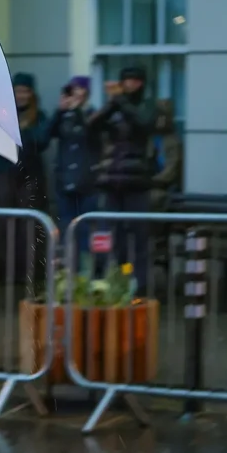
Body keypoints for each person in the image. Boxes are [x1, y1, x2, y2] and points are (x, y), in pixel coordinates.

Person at [89, 67, 156, 294]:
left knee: (139, 237)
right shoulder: (115, 108)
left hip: (137, 182)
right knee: (112, 236)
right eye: (126, 80)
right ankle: (117, 280)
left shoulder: (147, 106)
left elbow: (144, 123)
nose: (130, 85)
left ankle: (140, 286)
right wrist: (110, 105)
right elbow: (91, 127)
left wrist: (122, 103)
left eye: (135, 81)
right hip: (112, 181)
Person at [0, 73, 49, 283]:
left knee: (29, 227)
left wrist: (21, 134)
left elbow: (42, 141)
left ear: (32, 94)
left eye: (26, 91)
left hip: (30, 179)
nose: (21, 95)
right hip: (5, 176)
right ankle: (7, 272)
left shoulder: (39, 116)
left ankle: (30, 272)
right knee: (5, 226)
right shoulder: (3, 114)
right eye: (18, 90)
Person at [44, 76, 102, 269]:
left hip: (88, 184)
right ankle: (69, 275)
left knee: (86, 231)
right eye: (72, 90)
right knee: (66, 231)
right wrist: (59, 112)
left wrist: (77, 110)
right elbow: (44, 139)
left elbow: (90, 134)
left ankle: (86, 274)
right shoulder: (64, 116)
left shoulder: (94, 115)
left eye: (79, 90)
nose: (75, 94)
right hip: (64, 184)